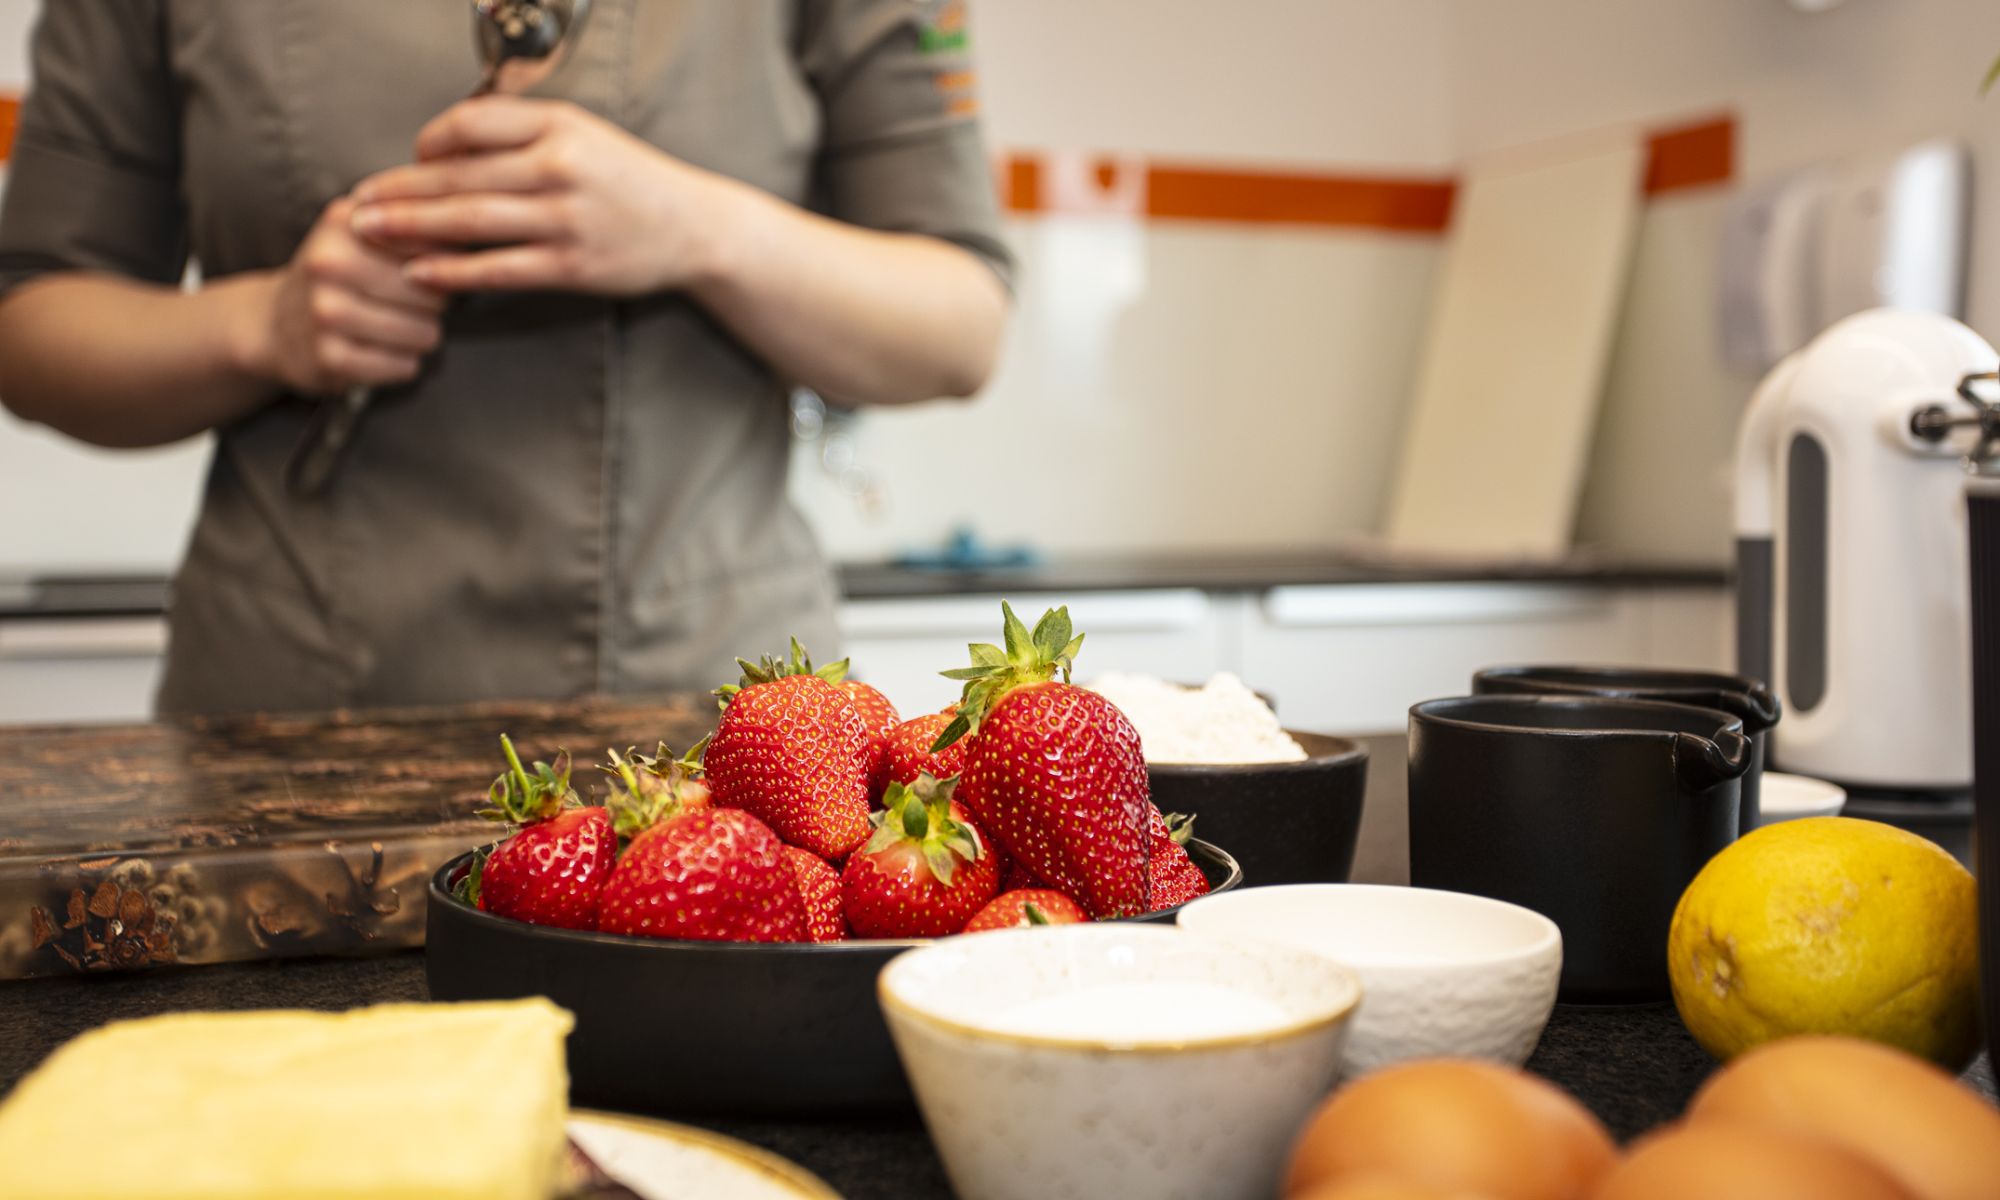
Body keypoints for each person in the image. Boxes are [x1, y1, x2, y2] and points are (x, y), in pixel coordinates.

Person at [0, 2, 1011, 715]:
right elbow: (31, 324)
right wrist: (267, 325)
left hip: (715, 735)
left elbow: (961, 323)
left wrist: (698, 230)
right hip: (287, 728)